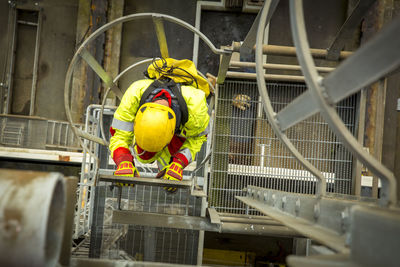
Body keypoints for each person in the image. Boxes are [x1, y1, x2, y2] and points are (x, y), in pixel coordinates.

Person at [109, 58, 211, 193]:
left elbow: (197, 139)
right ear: (137, 122)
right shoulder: (135, 93)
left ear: (172, 131)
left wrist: (178, 164)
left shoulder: (195, 108)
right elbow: (119, 135)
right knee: (144, 155)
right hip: (173, 120)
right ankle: (165, 169)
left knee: (171, 154)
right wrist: (123, 161)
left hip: (183, 123)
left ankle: (167, 166)